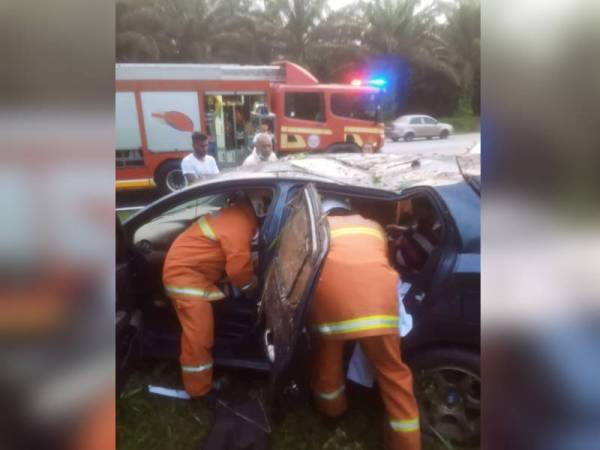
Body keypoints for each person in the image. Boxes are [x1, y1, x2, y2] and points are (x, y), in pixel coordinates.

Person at [308, 196, 421, 450]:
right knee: (394, 374)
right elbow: (380, 258)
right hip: (379, 308)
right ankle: (406, 443)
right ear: (347, 210)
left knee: (327, 356)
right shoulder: (372, 226)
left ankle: (332, 412)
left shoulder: (315, 230)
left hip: (332, 308)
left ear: (323, 213)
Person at [162, 195, 258, 399]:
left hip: (194, 274)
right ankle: (198, 390)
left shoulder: (234, 216)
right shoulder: (239, 224)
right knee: (198, 338)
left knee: (202, 332)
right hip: (185, 279)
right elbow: (239, 269)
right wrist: (253, 288)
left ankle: (203, 379)